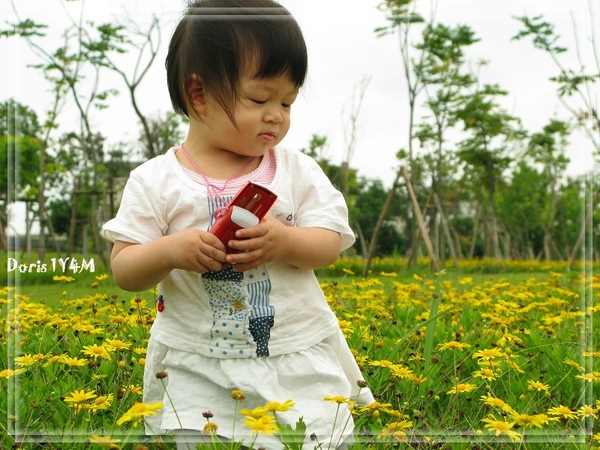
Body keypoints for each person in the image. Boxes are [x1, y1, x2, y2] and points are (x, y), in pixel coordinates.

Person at [102, 0, 374, 448]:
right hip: (196, 361)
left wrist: (285, 241)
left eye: (287, 101)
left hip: (293, 350)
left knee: (319, 436)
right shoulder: (156, 180)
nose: (277, 115)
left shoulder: (295, 170)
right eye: (259, 98)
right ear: (199, 94)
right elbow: (125, 269)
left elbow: (329, 242)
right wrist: (171, 251)